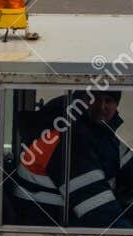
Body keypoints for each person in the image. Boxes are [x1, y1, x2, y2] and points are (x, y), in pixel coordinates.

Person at [19, 89, 133, 227]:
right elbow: (100, 215)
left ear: (116, 105)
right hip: (51, 231)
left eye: (108, 100)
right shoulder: (65, 139)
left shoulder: (101, 135)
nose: (101, 106)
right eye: (93, 98)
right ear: (79, 100)